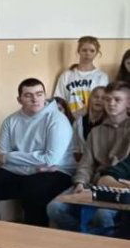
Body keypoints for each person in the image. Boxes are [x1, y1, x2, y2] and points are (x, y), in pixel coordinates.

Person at [0, 78, 74, 228]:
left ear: (45, 95)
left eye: (39, 94)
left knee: (34, 188)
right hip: (27, 171)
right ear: (19, 99)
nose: (35, 99)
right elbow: (0, 159)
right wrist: (35, 166)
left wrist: (11, 156)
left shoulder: (57, 120)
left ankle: (34, 242)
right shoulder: (10, 121)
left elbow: (50, 159)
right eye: (28, 95)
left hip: (59, 173)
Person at [47, 81, 130, 232]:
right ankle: (82, 239)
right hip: (93, 184)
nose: (111, 103)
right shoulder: (96, 132)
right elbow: (86, 164)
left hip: (121, 187)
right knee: (54, 208)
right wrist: (80, 183)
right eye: (107, 99)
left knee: (102, 216)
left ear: (128, 103)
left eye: (117, 100)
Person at [54, 36, 110, 114]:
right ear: (78, 51)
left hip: (91, 119)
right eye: (84, 50)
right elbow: (59, 100)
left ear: (97, 53)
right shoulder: (66, 75)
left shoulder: (101, 76)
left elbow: (102, 102)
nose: (88, 53)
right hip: (70, 119)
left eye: (92, 51)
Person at [71, 86, 108, 162]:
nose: (99, 100)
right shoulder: (78, 122)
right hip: (81, 164)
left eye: (103, 98)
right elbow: (74, 147)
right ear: (90, 99)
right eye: (96, 97)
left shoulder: (109, 122)